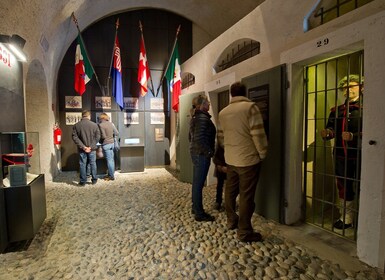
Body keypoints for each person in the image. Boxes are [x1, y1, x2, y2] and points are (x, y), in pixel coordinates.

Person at [217, 82, 268, 242]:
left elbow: (221, 138)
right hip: (248, 160)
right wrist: (262, 153)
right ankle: (244, 231)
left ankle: (232, 220)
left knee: (230, 191)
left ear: (231, 94)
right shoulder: (250, 108)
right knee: (246, 196)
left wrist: (230, 150)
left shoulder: (223, 112)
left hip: (231, 159)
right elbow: (258, 134)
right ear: (244, 92)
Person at [320, 74, 363, 230]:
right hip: (340, 155)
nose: (348, 89)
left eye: (351, 86)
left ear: (361, 87)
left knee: (362, 185)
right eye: (345, 87)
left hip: (362, 155)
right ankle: (347, 218)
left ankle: (364, 218)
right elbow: (332, 129)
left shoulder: (367, 109)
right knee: (344, 186)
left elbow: (375, 132)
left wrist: (354, 136)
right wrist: (328, 133)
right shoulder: (336, 111)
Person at [189, 94, 216, 222]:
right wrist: (209, 152)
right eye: (207, 103)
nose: (209, 104)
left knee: (196, 183)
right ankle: (199, 213)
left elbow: (191, 138)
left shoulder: (196, 117)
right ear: (202, 105)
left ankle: (195, 207)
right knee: (199, 184)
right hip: (201, 154)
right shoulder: (202, 118)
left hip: (196, 153)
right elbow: (199, 139)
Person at [72, 110, 101, 186]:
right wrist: (90, 147)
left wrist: (84, 147)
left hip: (82, 149)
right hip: (92, 149)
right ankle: (94, 180)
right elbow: (97, 137)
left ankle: (83, 181)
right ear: (89, 116)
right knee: (93, 163)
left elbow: (75, 138)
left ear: (82, 116)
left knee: (82, 164)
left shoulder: (77, 125)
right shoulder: (94, 125)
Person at [98, 113, 119, 181]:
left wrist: (100, 142)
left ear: (101, 118)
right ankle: (111, 174)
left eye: (99, 118)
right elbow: (116, 133)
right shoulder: (111, 124)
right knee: (111, 160)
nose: (98, 119)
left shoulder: (100, 125)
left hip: (106, 144)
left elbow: (103, 136)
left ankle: (111, 176)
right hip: (112, 144)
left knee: (109, 160)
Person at [212, 143, 227, 211]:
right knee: (219, 186)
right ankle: (218, 202)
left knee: (230, 187)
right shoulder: (219, 146)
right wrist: (220, 166)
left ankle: (229, 203)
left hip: (230, 169)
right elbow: (214, 158)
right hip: (220, 168)